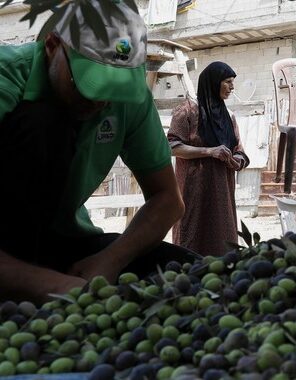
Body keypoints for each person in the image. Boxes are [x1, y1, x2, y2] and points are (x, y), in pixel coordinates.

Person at [0, 1, 194, 304]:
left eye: (114, 90)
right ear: (53, 45)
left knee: (182, 271)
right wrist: (49, 285)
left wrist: (110, 260)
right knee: (43, 122)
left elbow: (168, 200)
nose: (101, 102)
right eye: (87, 84)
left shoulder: (130, 99)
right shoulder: (6, 77)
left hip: (64, 242)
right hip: (8, 244)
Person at [168, 62, 250, 256]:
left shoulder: (228, 117)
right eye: (227, 82)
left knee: (223, 242)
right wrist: (209, 151)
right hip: (193, 191)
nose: (232, 87)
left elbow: (241, 152)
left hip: (222, 194)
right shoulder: (187, 111)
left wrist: (235, 161)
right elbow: (171, 146)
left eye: (232, 82)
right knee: (191, 239)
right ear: (213, 83)